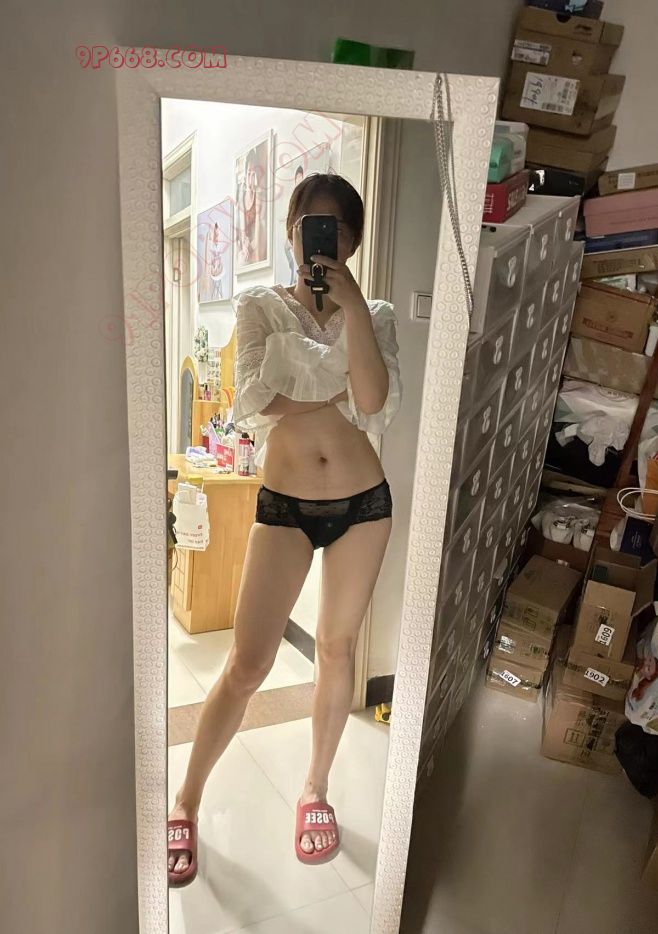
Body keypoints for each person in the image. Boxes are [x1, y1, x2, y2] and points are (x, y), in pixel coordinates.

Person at [167, 172, 402, 885]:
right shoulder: (261, 306)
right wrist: (328, 388)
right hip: (285, 503)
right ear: (291, 232)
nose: (319, 240)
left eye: (335, 229)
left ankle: (314, 791)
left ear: (352, 241)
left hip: (365, 503)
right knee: (247, 664)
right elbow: (253, 400)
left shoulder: (375, 312)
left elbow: (371, 401)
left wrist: (351, 307)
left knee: (335, 649)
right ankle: (185, 801)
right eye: (308, 226)